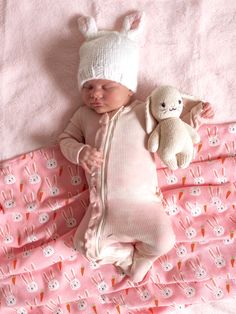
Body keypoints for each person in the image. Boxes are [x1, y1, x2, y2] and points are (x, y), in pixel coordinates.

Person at [59, 12, 214, 282]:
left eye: (107, 86)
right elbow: (65, 140)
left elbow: (172, 126)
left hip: (142, 206)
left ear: (129, 88)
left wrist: (195, 117)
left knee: (165, 240)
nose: (96, 94)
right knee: (82, 245)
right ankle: (129, 259)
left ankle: (144, 256)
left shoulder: (144, 110)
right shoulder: (83, 116)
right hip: (104, 210)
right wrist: (80, 152)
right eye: (88, 86)